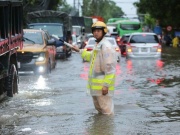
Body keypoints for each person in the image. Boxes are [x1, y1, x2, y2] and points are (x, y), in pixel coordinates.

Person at [72, 21, 117, 115]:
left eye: (98, 31)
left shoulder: (106, 47)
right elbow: (91, 56)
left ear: (103, 32)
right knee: (100, 110)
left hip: (102, 86)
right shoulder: (98, 45)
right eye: (94, 31)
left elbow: (110, 68)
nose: (96, 33)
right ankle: (100, 129)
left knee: (106, 111)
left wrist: (106, 85)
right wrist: (79, 50)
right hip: (96, 87)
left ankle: (106, 129)